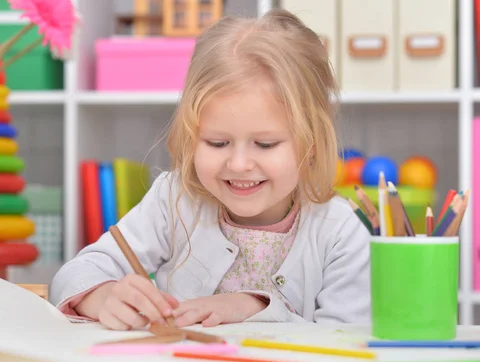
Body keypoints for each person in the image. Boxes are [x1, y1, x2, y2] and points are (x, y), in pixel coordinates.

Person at [51, 9, 371, 330]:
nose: (239, 164)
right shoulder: (174, 199)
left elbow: (345, 340)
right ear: (192, 136)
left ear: (311, 142)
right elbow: (71, 276)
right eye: (217, 143)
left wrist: (257, 308)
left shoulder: (340, 231)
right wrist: (103, 296)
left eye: (265, 144)